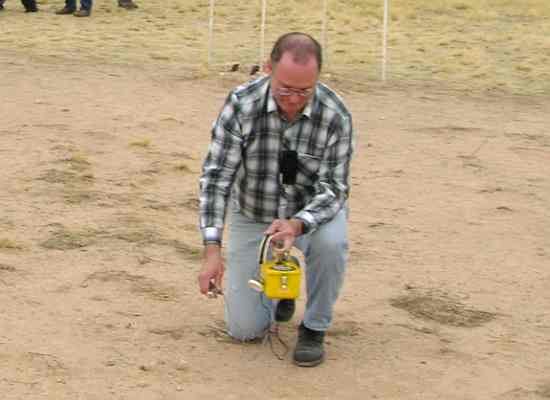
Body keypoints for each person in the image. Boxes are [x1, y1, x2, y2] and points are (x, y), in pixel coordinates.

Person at [198, 32, 354, 367]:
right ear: (268, 68)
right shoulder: (241, 103)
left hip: (310, 215)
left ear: (318, 79)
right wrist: (212, 250)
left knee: (331, 245)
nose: (294, 99)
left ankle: (314, 326)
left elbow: (335, 187)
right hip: (253, 211)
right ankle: (280, 287)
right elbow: (216, 177)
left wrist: (298, 224)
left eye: (304, 90)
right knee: (244, 330)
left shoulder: (335, 114)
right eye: (285, 88)